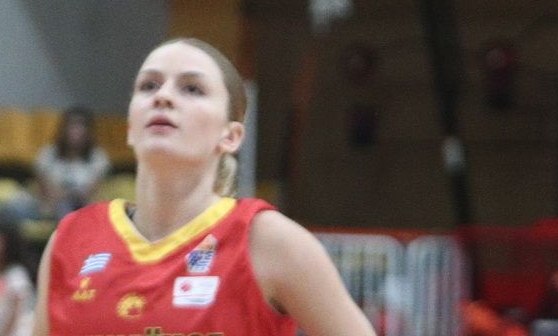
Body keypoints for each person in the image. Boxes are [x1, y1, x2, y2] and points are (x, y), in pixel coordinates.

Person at [34, 38, 376, 336]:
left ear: (231, 136)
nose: (163, 97)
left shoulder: (270, 242)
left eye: (192, 89)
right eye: (149, 86)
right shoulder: (70, 240)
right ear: (130, 128)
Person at [29, 108, 111, 221]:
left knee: (70, 207)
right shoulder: (47, 154)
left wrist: (72, 196)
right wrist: (62, 196)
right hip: (49, 205)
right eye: (72, 126)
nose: (75, 131)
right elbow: (44, 188)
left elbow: (92, 191)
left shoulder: (98, 157)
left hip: (84, 206)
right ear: (62, 129)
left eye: (81, 126)